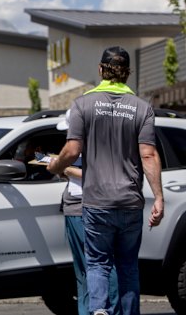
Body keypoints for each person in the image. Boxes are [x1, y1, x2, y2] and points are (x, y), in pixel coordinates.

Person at [47, 46, 164, 315]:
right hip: (130, 202)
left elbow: (73, 150)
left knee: (98, 263)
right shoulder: (142, 108)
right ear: (127, 73)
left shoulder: (82, 104)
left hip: (97, 202)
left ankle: (99, 310)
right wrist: (158, 197)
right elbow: (148, 154)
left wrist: (56, 166)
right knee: (127, 265)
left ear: (101, 70)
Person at [57, 110, 119, 315]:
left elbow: (96, 175)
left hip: (88, 209)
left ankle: (107, 309)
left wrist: (64, 167)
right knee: (83, 270)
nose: (68, 135)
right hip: (74, 208)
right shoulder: (81, 147)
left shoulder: (98, 145)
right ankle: (88, 311)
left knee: (99, 266)